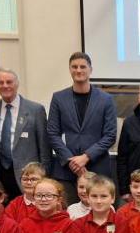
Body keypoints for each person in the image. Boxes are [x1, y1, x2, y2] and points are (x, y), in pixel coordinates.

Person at [47, 52, 117, 204]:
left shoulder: (106, 99)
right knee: (68, 215)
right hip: (66, 171)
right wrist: (71, 160)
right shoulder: (58, 98)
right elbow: (52, 133)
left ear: (90, 70)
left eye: (83, 67)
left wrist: (86, 157)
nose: (78, 70)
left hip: (97, 168)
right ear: (70, 70)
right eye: (74, 67)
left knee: (99, 213)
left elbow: (110, 135)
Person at [0, 68, 52, 200]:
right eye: (0, 83)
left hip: (28, 177)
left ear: (17, 84)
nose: (5, 86)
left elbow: (44, 148)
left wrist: (44, 177)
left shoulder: (35, 110)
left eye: (9, 82)